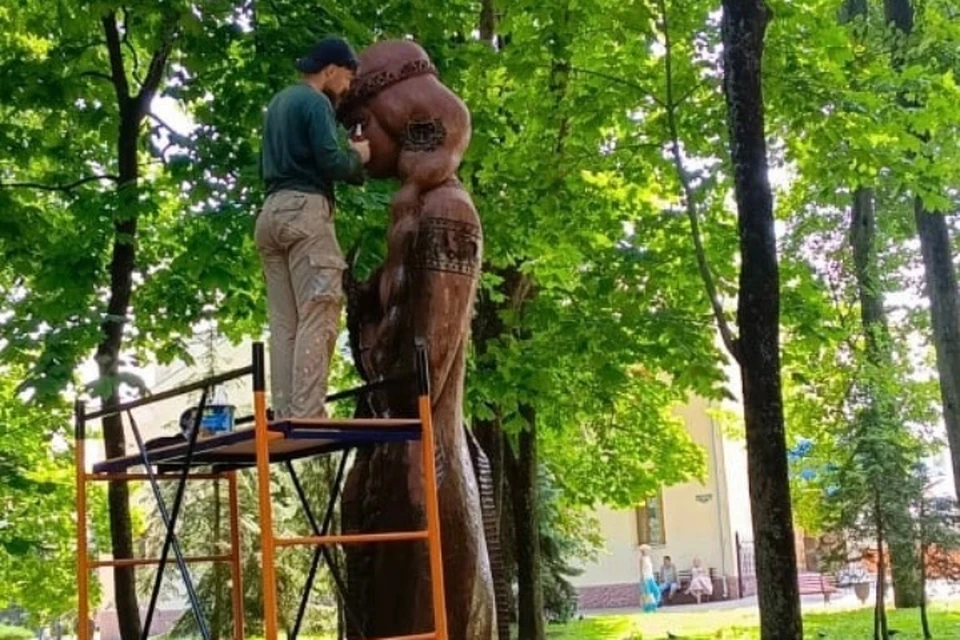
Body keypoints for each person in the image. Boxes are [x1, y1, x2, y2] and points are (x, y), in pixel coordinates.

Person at [256, 37, 371, 419]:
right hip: (304, 211)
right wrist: (358, 157)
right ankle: (307, 414)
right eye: (348, 78)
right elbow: (331, 162)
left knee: (284, 320)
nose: (349, 87)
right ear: (331, 69)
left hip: (270, 214)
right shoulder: (315, 101)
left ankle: (287, 410)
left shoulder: (279, 103)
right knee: (319, 309)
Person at [639, 545, 661, 612]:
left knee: (656, 592)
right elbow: (641, 569)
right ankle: (648, 609)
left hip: (651, 578)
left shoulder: (648, 558)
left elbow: (650, 569)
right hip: (645, 578)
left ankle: (654, 606)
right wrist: (642, 579)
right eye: (646, 550)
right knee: (647, 594)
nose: (648, 551)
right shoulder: (641, 558)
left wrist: (653, 577)